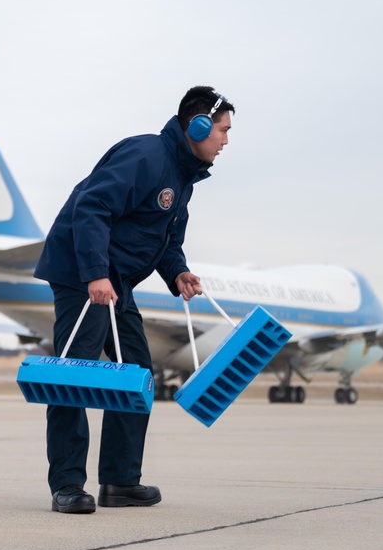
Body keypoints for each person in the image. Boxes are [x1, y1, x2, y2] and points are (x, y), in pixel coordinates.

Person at [33, 86, 235, 514]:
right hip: (80, 275)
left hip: (115, 282)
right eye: (222, 130)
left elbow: (165, 241)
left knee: (138, 374)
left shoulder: (182, 179)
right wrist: (95, 274)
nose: (226, 141)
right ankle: (67, 485)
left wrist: (178, 271)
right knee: (76, 377)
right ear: (197, 126)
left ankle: (120, 482)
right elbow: (92, 208)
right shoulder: (147, 156)